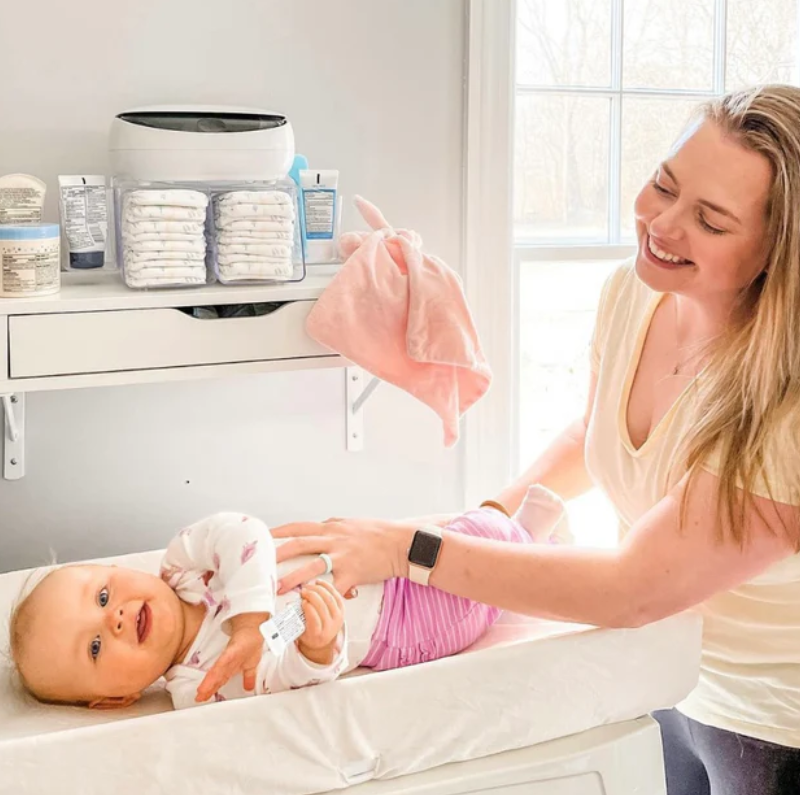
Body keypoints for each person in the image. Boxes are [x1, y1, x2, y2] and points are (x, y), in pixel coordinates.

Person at [271, 85, 800, 795]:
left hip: (774, 720)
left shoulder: (786, 403)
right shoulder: (635, 293)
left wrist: (409, 549)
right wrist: (491, 518)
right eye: (664, 185)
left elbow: (630, 589)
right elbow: (597, 432)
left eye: (710, 220)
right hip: (669, 672)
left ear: (776, 252)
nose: (663, 224)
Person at [7, 485, 565, 711]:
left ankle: (519, 526)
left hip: (372, 555)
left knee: (466, 534)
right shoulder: (198, 684)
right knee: (483, 579)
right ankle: (531, 533)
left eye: (104, 595)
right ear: (115, 699)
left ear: (113, 570)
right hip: (402, 624)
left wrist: (250, 620)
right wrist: (315, 649)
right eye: (95, 648)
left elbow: (243, 531)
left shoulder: (183, 563)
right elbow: (277, 679)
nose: (116, 618)